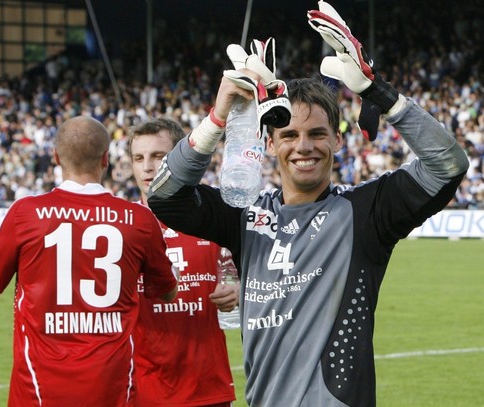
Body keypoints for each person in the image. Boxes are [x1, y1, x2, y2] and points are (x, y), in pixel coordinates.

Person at [146, 2, 470, 406]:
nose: (303, 146)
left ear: (337, 140)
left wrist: (377, 91)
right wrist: (219, 116)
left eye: (318, 134)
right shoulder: (245, 217)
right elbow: (163, 196)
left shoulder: (364, 213)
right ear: (269, 144)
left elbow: (448, 165)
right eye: (289, 135)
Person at [0, 115, 178, 407]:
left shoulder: (26, 213)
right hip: (112, 386)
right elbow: (166, 291)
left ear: (56, 157)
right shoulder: (139, 219)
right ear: (106, 159)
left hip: (38, 389)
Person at [128, 118, 239, 407]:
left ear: (179, 158)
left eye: (158, 156)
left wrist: (239, 291)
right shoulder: (123, 229)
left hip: (207, 387)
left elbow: (256, 280)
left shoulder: (214, 218)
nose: (147, 167)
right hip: (144, 391)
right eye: (138, 158)